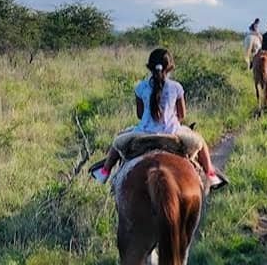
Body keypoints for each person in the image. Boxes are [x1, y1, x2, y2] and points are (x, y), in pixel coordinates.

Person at [91, 48, 228, 189]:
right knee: (200, 142)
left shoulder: (140, 87)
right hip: (172, 133)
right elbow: (182, 115)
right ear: (170, 67)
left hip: (143, 133)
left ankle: (104, 172)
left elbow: (140, 115)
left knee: (117, 142)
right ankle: (211, 175)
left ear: (149, 67)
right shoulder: (176, 87)